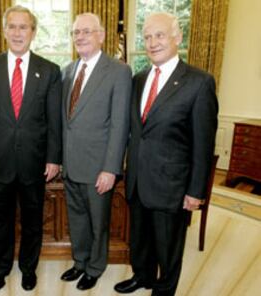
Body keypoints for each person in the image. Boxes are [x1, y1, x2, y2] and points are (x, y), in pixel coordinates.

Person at [114, 12, 218, 296]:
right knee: (140, 240)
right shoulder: (138, 79)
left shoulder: (199, 82)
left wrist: (195, 191)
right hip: (137, 180)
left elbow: (203, 144)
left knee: (168, 248)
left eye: (159, 35)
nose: (152, 42)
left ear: (177, 37)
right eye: (147, 37)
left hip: (172, 186)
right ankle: (142, 276)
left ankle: (163, 290)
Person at [0, 5, 62, 292]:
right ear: (4, 30)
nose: (18, 32)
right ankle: (0, 268)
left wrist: (53, 158)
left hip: (34, 162)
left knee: (33, 220)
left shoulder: (49, 70)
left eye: (24, 27)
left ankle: (28, 268)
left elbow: (53, 121)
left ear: (33, 32)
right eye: (12, 26)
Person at [60, 13, 132, 291]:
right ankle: (80, 261)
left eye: (86, 32)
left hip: (99, 167)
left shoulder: (118, 71)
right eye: (76, 32)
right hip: (71, 163)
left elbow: (120, 123)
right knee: (76, 218)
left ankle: (95, 266)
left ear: (101, 35)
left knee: (98, 222)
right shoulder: (67, 71)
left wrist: (111, 168)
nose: (80, 37)